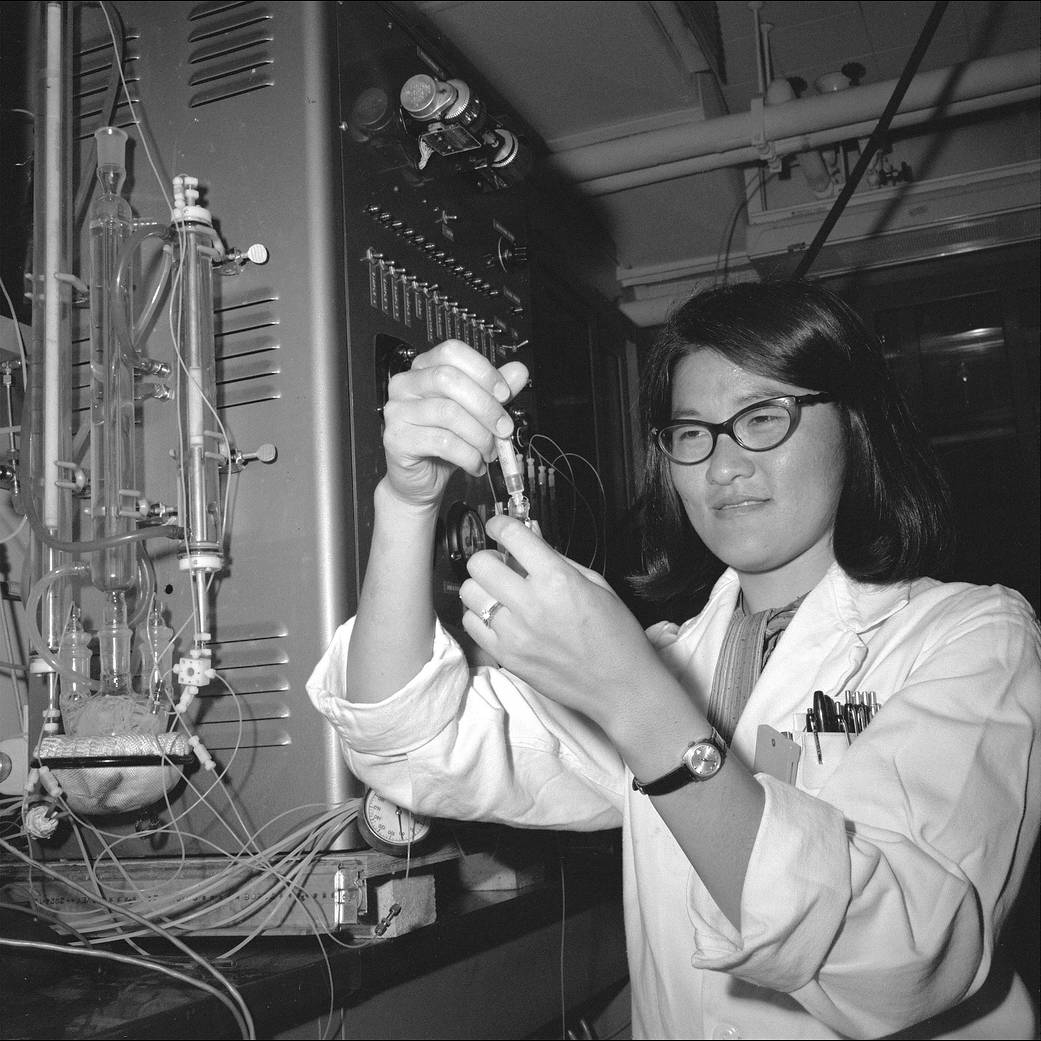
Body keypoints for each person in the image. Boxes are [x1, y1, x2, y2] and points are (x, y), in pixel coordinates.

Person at [307, 280, 1041, 1039]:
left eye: (761, 416)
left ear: (854, 423)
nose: (720, 466)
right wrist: (406, 502)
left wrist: (633, 697)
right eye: (692, 432)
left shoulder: (971, 637)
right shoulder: (669, 657)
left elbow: (899, 962)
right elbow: (407, 742)